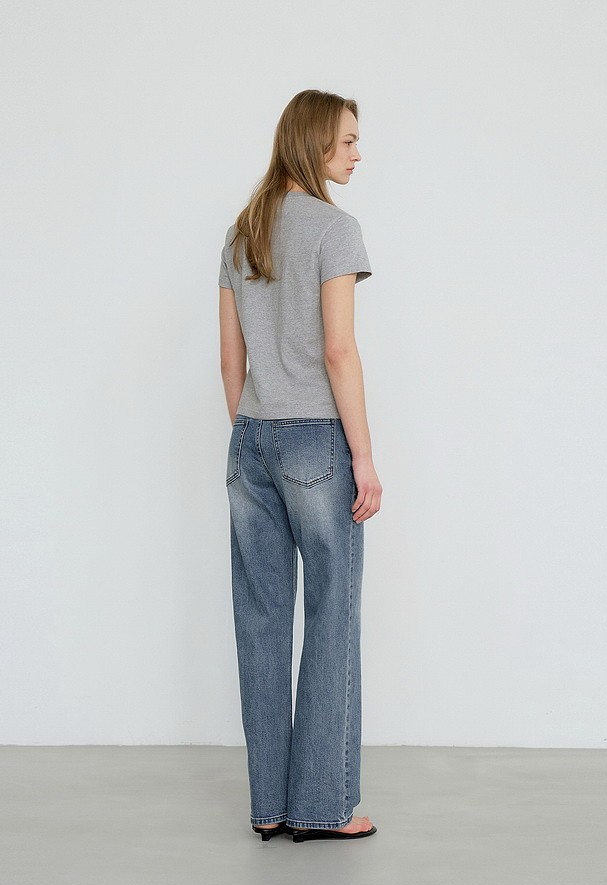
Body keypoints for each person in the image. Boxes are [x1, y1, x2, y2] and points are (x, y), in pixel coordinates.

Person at [218, 89, 382, 843]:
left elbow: (232, 357)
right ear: (315, 144)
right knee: (331, 614)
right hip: (317, 440)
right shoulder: (334, 229)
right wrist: (363, 456)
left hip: (250, 435)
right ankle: (323, 806)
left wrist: (250, 431)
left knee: (260, 617)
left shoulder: (242, 230)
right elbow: (339, 351)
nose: (357, 154)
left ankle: (270, 805)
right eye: (348, 141)